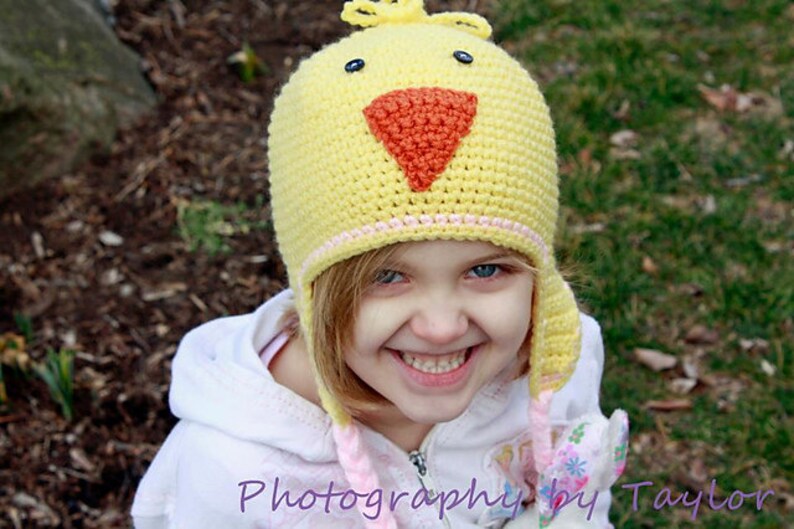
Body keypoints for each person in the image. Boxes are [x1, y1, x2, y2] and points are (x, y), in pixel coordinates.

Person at [131, 1, 629, 528]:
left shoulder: (554, 371)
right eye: (386, 277)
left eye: (485, 270)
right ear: (313, 288)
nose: (441, 327)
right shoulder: (232, 473)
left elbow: (577, 500)